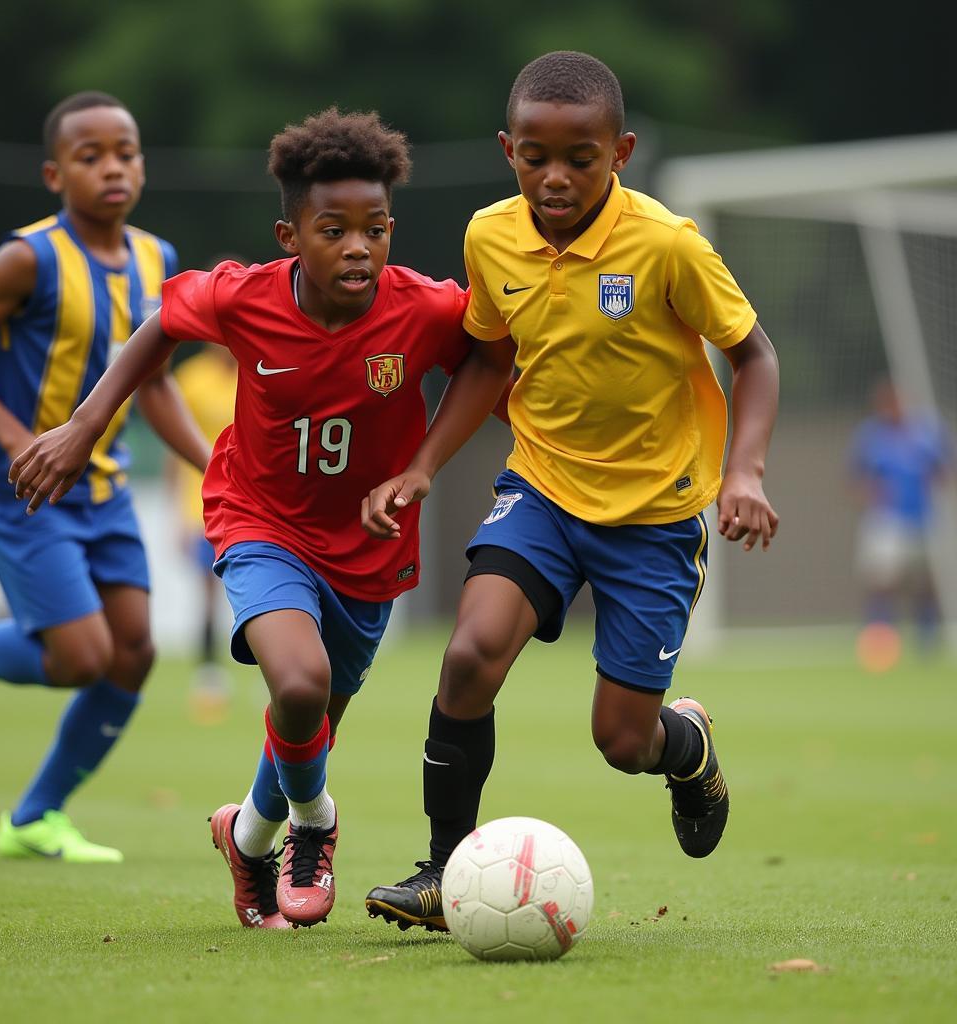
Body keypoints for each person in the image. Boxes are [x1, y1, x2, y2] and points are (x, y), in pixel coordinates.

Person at [8, 107, 514, 928]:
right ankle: (317, 826)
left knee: (303, 723)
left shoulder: (421, 310)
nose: (359, 247)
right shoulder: (243, 297)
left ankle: (246, 838)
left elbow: (492, 360)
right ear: (290, 235)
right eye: (334, 230)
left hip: (370, 548)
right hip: (260, 520)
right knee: (300, 683)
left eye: (376, 229)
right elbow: (159, 329)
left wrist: (422, 468)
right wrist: (85, 423)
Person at [363, 50, 780, 933]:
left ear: (619, 151)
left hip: (657, 516)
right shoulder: (490, 235)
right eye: (535, 157)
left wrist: (743, 472)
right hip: (543, 487)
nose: (555, 177)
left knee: (622, 742)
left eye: (580, 159)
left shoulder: (666, 243)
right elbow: (487, 357)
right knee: (470, 655)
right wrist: (423, 464)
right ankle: (444, 871)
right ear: (507, 149)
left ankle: (688, 744)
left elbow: (755, 355)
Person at [0, 92, 210, 863]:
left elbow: (151, 381)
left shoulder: (158, 261)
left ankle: (33, 816)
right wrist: (22, 439)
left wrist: (216, 463)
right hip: (24, 488)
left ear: (142, 164)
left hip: (104, 486)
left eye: (124, 152)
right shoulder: (29, 258)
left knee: (135, 652)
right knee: (80, 659)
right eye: (91, 157)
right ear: (57, 174)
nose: (112, 167)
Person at [850, 378, 953, 664]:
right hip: (886, 520)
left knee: (926, 583)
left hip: (923, 518)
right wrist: (874, 494)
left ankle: (927, 642)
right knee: (882, 581)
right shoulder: (871, 436)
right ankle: (881, 642)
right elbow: (857, 478)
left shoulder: (927, 432)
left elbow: (944, 469)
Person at [168, 326, 239, 721]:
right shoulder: (190, 379)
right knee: (208, 592)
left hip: (252, 502)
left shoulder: (259, 369)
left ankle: (271, 674)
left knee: (257, 590)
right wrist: (173, 513)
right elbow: (172, 450)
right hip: (201, 503)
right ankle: (210, 673)